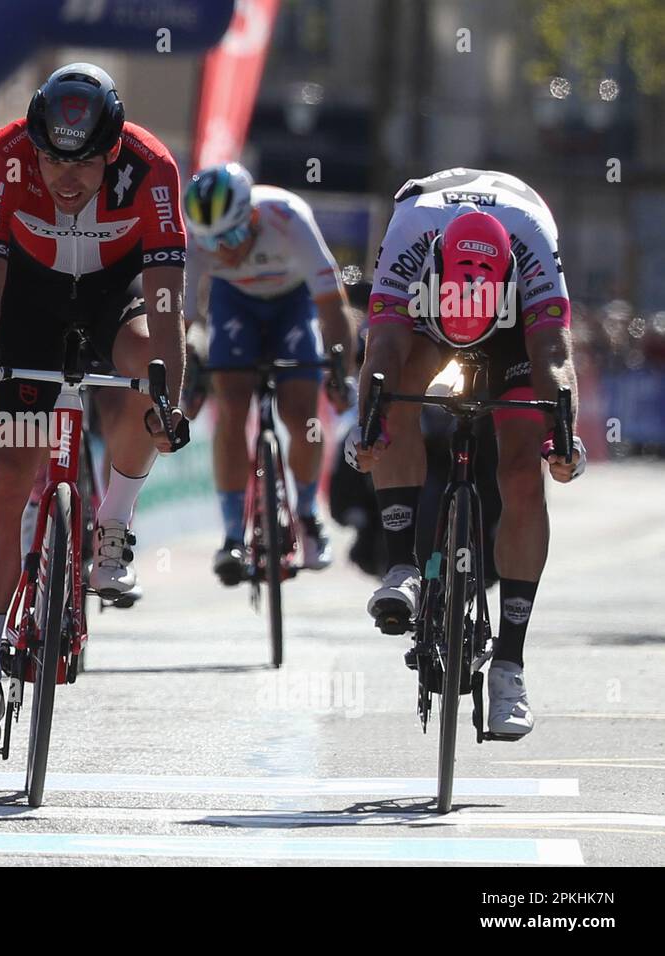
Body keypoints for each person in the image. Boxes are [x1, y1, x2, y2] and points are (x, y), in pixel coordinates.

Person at [0, 63, 190, 750]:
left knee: (149, 370)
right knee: (4, 480)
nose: (66, 175)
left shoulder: (152, 169)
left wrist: (170, 394)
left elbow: (168, 298)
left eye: (82, 161)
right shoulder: (2, 158)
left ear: (113, 147)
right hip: (26, 302)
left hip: (115, 298)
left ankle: (113, 523)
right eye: (53, 158)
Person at [348, 168, 587, 738]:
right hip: (429, 325)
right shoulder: (410, 235)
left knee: (523, 466)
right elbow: (380, 345)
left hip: (512, 336)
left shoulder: (529, 242)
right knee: (395, 394)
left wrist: (565, 435)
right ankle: (402, 564)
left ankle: (510, 664)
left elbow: (552, 350)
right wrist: (370, 427)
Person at [183, 162, 354, 584]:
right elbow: (186, 320)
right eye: (211, 241)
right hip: (233, 303)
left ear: (252, 217)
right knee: (232, 407)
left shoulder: (288, 217)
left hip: (292, 304)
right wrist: (185, 376)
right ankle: (231, 536)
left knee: (302, 416)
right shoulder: (197, 242)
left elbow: (333, 306)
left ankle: (309, 514)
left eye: (233, 236)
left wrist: (339, 371)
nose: (224, 250)